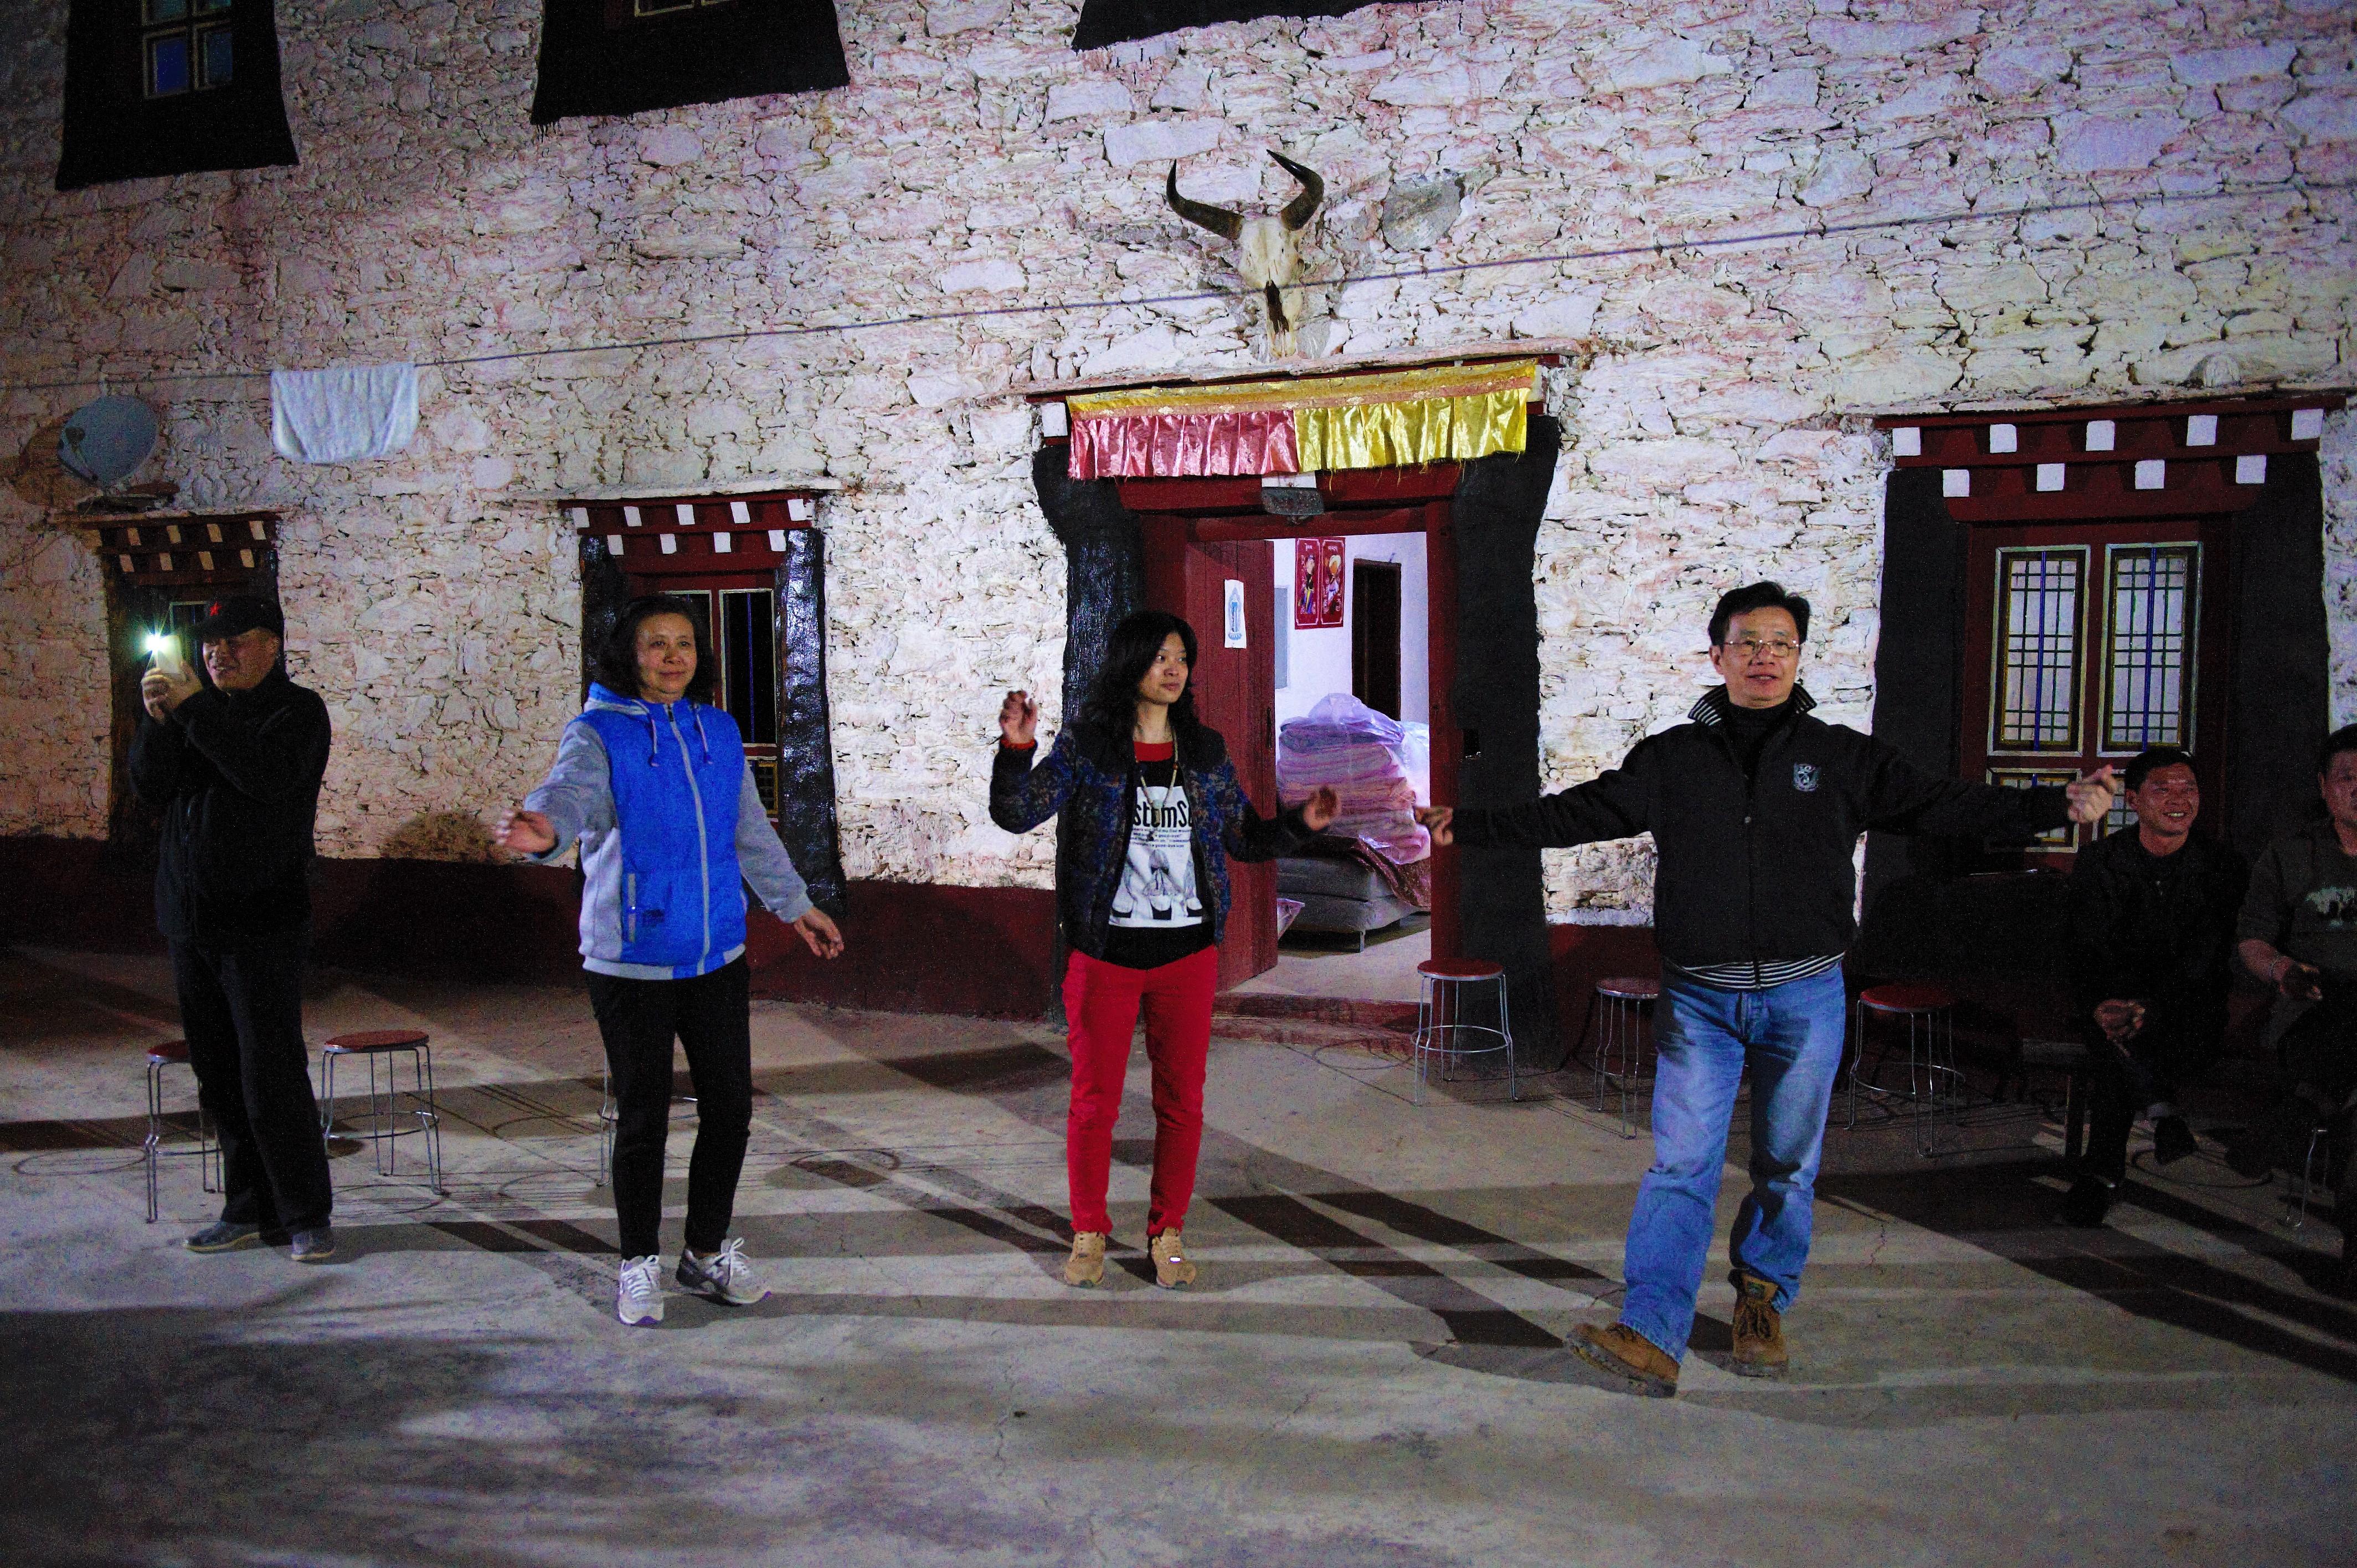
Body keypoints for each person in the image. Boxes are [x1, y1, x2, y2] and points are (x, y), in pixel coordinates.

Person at [1419, 581, 2118, 1396]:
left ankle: (1761, 1302)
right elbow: (1578, 813)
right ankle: (1651, 1330)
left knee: (1786, 1166)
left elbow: (1943, 805)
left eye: (1781, 644)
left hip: (1805, 997)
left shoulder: (1842, 756)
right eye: (1748, 642)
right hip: (1700, 1001)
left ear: (1798, 658)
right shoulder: (1672, 759)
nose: (1764, 657)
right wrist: (1469, 825)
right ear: (1717, 656)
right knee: (1682, 1166)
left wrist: (2050, 804)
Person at [495, 595, 845, 1327]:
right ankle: (637, 1262)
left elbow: (749, 831)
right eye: (656, 643)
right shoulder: (597, 734)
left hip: (716, 952)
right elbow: (569, 796)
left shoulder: (717, 730)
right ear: (629, 653)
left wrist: (795, 905)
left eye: (684, 643)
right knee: (643, 1117)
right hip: (631, 960)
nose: (673, 656)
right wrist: (545, 829)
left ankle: (706, 1251)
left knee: (731, 1109)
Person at [991, 610, 1336, 1291]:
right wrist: (1016, 748)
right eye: (1158, 658)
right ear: (1130, 665)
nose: (1173, 669)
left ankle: (1167, 1231)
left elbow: (1243, 837)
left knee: (1181, 1103)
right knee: (1094, 1102)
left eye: (1180, 658)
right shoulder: (1089, 746)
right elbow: (1017, 811)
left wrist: (1300, 824)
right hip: (1106, 953)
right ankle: (1088, 1231)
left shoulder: (1204, 751)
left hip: (1185, 954)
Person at [130, 594, 337, 1262]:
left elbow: (264, 778)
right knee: (218, 1076)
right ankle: (246, 1208)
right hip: (191, 920)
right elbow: (150, 789)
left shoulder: (296, 712)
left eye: (235, 641)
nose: (217, 653)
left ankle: (305, 1214)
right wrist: (157, 724)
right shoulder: (194, 715)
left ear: (272, 645)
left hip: (261, 921)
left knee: (270, 1071)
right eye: (210, 644)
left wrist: (193, 710)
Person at [2059, 746, 2248, 1227]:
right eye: (2163, 789)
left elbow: (2207, 957)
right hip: (2115, 1001)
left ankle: (2102, 1174)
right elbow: (2087, 948)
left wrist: (2151, 1007)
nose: (2179, 800)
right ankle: (2162, 1115)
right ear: (2134, 800)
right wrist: (2106, 1004)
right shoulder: (2102, 861)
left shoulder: (2222, 866)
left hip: (2188, 1007)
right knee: (2116, 1033)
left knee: (2125, 1044)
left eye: (2189, 789)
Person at [2230, 726, 2357, 1296]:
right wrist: (2283, 971)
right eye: (2346, 777)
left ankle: (2303, 1108)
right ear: (2324, 787)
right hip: (2311, 1013)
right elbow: (2252, 941)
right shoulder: (2290, 855)